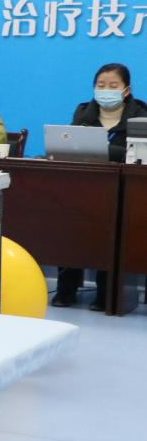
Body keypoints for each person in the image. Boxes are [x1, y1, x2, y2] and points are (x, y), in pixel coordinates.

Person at [53, 62, 147, 309]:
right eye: (101, 85)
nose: (106, 90)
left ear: (126, 90)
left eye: (113, 86)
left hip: (125, 192)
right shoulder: (84, 113)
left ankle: (107, 294)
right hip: (86, 187)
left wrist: (105, 150)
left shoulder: (141, 115)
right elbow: (73, 147)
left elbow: (136, 154)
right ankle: (66, 289)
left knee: (114, 225)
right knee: (70, 219)